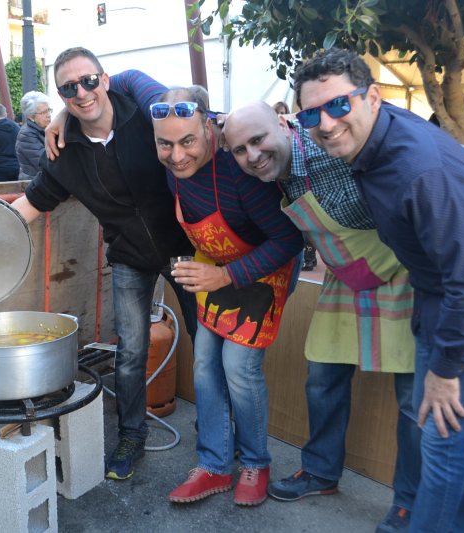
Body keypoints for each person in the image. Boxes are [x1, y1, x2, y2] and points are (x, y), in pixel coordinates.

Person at [223, 101, 464, 531]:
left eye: (258, 139)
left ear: (283, 124)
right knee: (322, 375)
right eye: (239, 149)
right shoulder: (266, 171)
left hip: (405, 269)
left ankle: (409, 501)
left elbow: (429, 147)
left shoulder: (331, 141)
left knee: (412, 397)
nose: (252, 155)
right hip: (347, 273)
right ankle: (320, 471)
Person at [293, 48, 464, 532]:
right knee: (448, 441)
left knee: (442, 448)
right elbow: (461, 153)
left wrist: (445, 372)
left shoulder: (416, 172)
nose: (326, 123)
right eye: (311, 113)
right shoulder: (378, 131)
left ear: (372, 98)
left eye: (339, 105)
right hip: (439, 296)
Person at [11, 46, 197, 482]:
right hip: (129, 255)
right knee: (130, 353)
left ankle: (218, 434)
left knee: (207, 344)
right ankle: (132, 437)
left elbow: (194, 128)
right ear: (61, 96)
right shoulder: (63, 150)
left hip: (186, 248)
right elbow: (36, 200)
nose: (82, 92)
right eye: (69, 88)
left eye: (89, 80)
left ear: (105, 80)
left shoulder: (146, 116)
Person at [138, 83, 303, 506]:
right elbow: (123, 80)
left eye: (187, 142)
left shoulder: (238, 173)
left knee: (238, 367)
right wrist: (62, 115)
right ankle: (213, 464)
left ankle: (256, 462)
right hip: (216, 267)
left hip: (264, 269)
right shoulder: (173, 161)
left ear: (210, 127)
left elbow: (288, 241)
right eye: (165, 145)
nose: (177, 156)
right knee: (205, 364)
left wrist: (226, 276)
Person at [16, 91, 51, 181]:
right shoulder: (26, 134)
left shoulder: (46, 129)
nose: (49, 115)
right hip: (34, 184)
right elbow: (44, 162)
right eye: (43, 112)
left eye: (49, 110)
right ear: (31, 117)